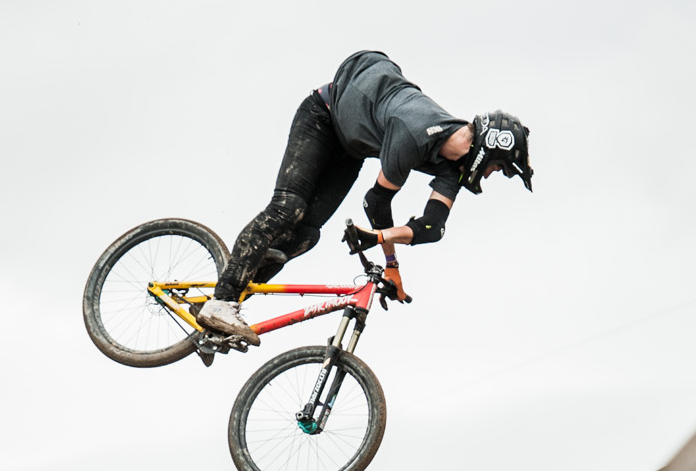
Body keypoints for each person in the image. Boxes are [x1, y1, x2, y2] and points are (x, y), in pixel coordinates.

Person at [194, 50, 532, 345]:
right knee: (289, 208)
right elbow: (376, 203)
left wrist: (391, 263)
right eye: (499, 168)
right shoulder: (413, 134)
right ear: (488, 150)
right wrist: (384, 246)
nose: (491, 175)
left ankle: (216, 318)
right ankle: (222, 301)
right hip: (322, 118)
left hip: (350, 148)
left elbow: (431, 226)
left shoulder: (452, 167)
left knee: (306, 235)